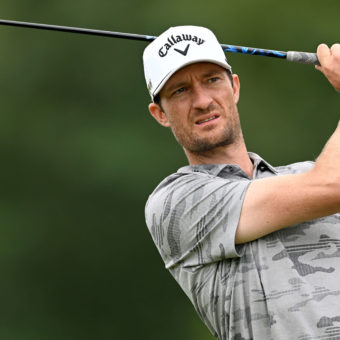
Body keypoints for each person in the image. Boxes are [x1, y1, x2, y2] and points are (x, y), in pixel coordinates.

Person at [143, 25, 340, 340]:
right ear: (160, 114)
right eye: (180, 90)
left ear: (233, 87)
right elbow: (331, 186)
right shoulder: (176, 203)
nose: (203, 100)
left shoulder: (306, 173)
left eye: (212, 80)